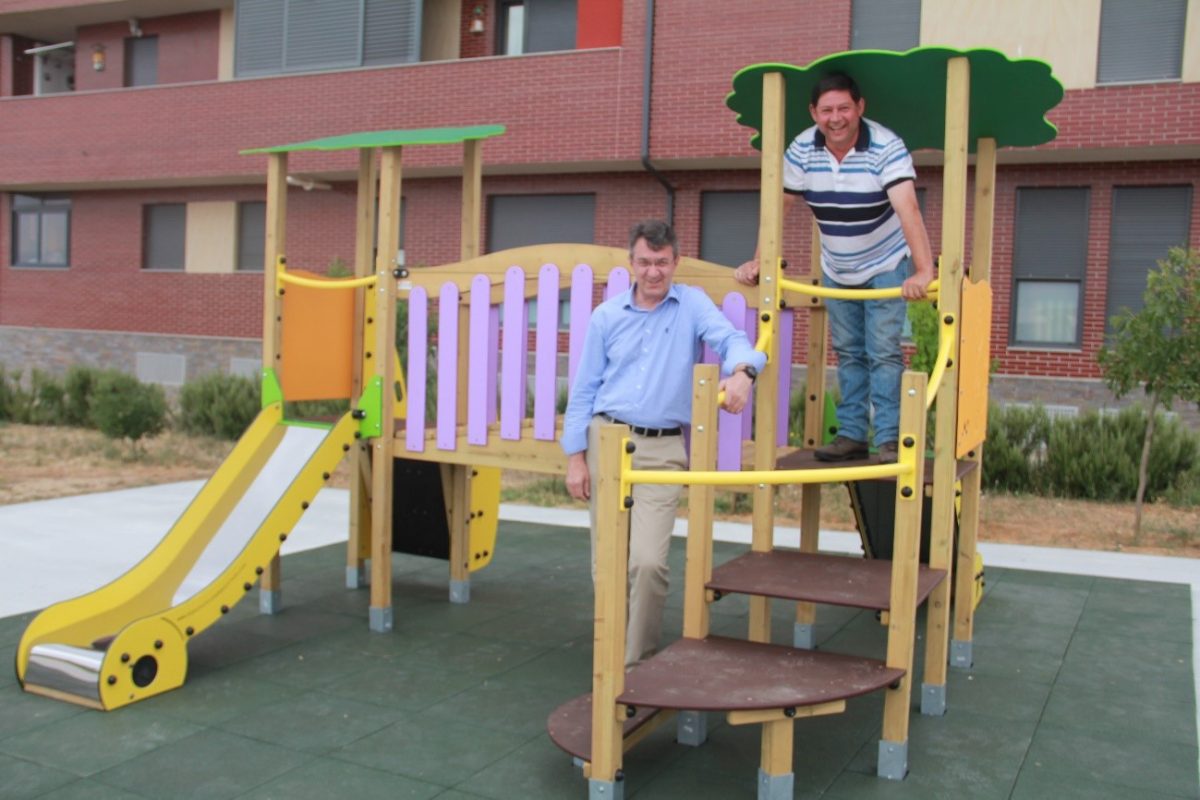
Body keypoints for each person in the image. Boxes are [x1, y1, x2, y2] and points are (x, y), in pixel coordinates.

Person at [562, 219, 767, 666]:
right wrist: (576, 457)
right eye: (644, 262)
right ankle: (609, 657)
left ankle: (636, 664)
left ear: (676, 262)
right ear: (630, 263)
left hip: (662, 449)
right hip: (607, 439)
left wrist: (744, 372)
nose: (653, 272)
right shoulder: (607, 316)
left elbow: (732, 340)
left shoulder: (691, 304)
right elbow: (584, 389)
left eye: (661, 262)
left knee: (648, 562)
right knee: (607, 561)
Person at [735, 71, 935, 464]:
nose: (836, 118)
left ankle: (890, 439)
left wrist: (923, 270)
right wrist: (760, 259)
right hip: (838, 265)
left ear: (860, 108)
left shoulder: (885, 146)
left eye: (844, 108)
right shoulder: (802, 149)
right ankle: (852, 434)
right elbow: (778, 209)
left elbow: (908, 208)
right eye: (826, 110)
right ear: (814, 113)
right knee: (848, 351)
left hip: (886, 262)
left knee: (882, 350)